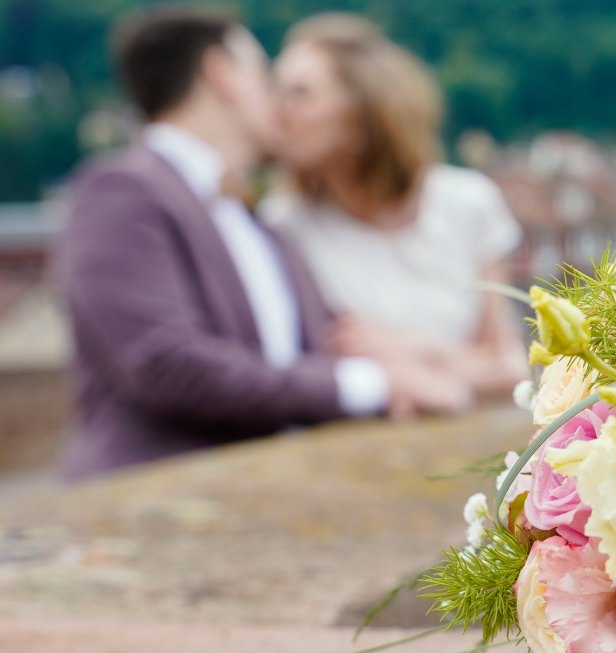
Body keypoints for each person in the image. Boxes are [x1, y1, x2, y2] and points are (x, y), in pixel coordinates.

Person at [55, 8, 456, 479]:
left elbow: (324, 347)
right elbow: (164, 363)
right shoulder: (121, 188)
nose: (277, 101)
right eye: (264, 77)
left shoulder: (262, 222)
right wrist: (369, 383)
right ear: (222, 74)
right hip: (151, 506)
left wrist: (412, 362)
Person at [266, 14, 528, 401]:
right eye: (276, 91)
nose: (277, 112)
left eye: (300, 93)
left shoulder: (469, 202)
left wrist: (420, 351)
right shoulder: (284, 224)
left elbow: (512, 370)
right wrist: (457, 368)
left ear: (361, 114)